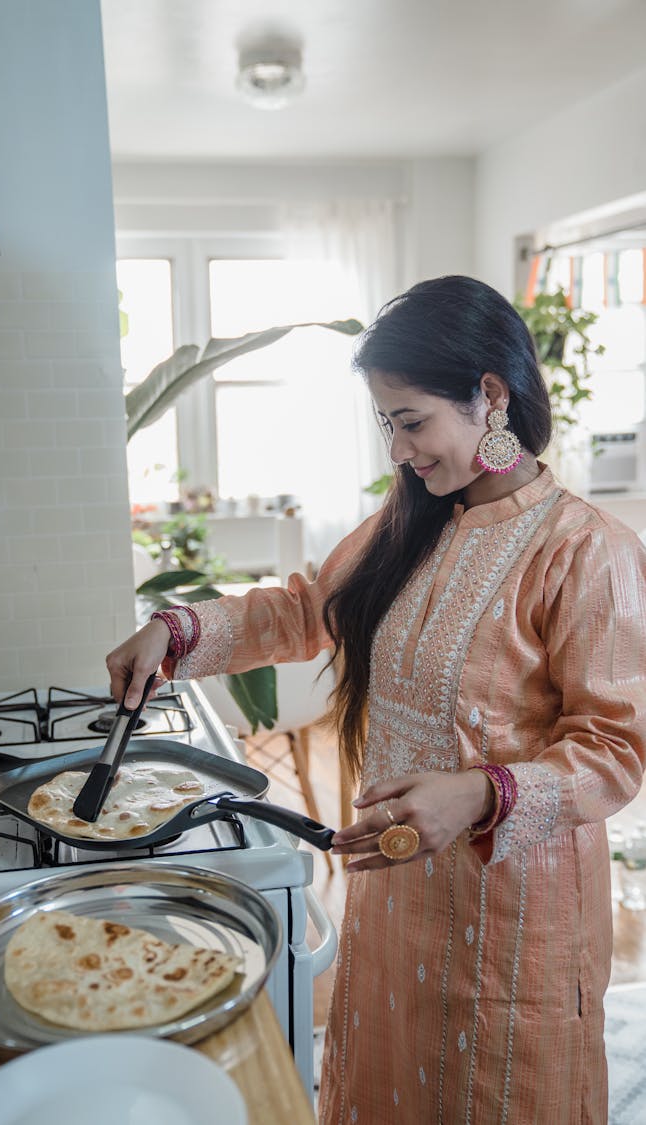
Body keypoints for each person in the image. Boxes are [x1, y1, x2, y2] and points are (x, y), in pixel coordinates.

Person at [106, 275, 646, 1124]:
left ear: (490, 397)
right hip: (394, 886)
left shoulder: (588, 552)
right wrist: (175, 633)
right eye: (387, 425)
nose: (398, 451)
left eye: (411, 422)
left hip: (509, 913)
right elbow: (300, 610)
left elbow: (616, 749)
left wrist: (478, 793)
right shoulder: (410, 522)